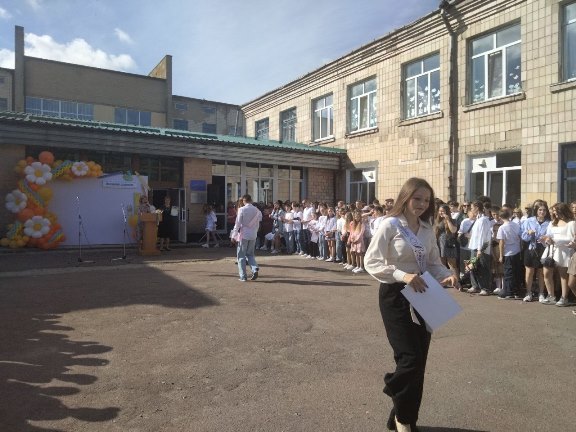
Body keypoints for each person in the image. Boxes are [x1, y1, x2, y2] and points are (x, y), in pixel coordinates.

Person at [364, 177, 459, 432]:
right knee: (409, 358)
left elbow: (433, 263)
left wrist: (447, 275)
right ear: (405, 198)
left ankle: (404, 418)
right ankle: (395, 392)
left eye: (426, 200)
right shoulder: (390, 224)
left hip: (422, 293)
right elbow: (371, 261)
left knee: (419, 362)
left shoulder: (427, 229)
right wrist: (402, 275)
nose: (422, 204)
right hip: (395, 294)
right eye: (417, 198)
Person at [541, 202, 575, 306]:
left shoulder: (571, 223)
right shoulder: (552, 223)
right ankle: (551, 296)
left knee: (563, 275)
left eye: (556, 211)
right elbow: (548, 235)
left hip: (564, 251)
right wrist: (546, 239)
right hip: (551, 250)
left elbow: (571, 238)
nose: (555, 214)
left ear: (562, 211)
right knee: (546, 273)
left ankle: (564, 298)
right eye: (554, 212)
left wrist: (555, 240)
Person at [521, 202, 550, 302]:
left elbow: (551, 236)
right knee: (529, 271)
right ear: (536, 211)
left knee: (541, 272)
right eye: (540, 210)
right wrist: (528, 233)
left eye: (544, 210)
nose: (542, 212)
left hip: (543, 248)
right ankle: (528, 293)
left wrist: (546, 238)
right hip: (531, 248)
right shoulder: (529, 221)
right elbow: (523, 237)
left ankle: (541, 293)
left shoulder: (549, 223)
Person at [232, 194, 262, 282]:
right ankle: (254, 268)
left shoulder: (242, 209)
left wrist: (234, 235)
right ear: (251, 200)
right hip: (253, 235)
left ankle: (243, 276)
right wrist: (255, 231)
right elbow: (258, 222)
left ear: (244, 201)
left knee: (241, 256)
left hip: (244, 235)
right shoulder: (257, 210)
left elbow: (237, 224)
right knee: (250, 254)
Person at [466, 201, 493, 296]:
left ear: (477, 208)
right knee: (472, 266)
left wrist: (480, 249)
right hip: (474, 247)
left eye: (472, 207)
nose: (471, 209)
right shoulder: (478, 219)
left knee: (482, 267)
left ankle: (485, 288)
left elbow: (482, 235)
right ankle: (475, 285)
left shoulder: (483, 220)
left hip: (481, 249)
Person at [496, 208, 522, 299]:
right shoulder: (516, 225)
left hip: (508, 252)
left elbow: (501, 242)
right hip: (517, 251)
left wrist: (500, 255)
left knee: (508, 272)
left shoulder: (502, 227)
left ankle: (509, 291)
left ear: (500, 217)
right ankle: (516, 291)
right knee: (516, 272)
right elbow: (520, 237)